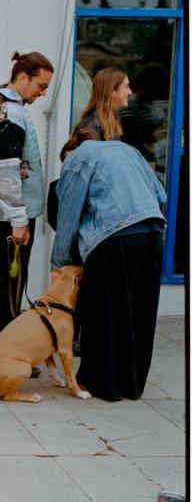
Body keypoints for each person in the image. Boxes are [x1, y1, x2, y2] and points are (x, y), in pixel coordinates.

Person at [51, 137, 166, 401]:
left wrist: (60, 265)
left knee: (103, 311)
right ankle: (132, 384)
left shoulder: (76, 162)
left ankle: (104, 385)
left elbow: (68, 215)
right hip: (152, 231)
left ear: (72, 151)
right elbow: (161, 195)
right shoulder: (129, 150)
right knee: (140, 312)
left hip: (112, 237)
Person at [0, 50, 53, 342]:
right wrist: (19, 219)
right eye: (40, 86)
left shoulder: (6, 108)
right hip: (10, 214)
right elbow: (6, 171)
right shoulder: (7, 114)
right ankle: (4, 346)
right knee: (9, 281)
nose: (42, 93)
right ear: (22, 77)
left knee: (1, 277)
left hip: (5, 212)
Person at [74, 67, 131, 141]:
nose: (130, 92)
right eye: (126, 87)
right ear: (112, 91)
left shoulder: (111, 121)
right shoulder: (91, 125)